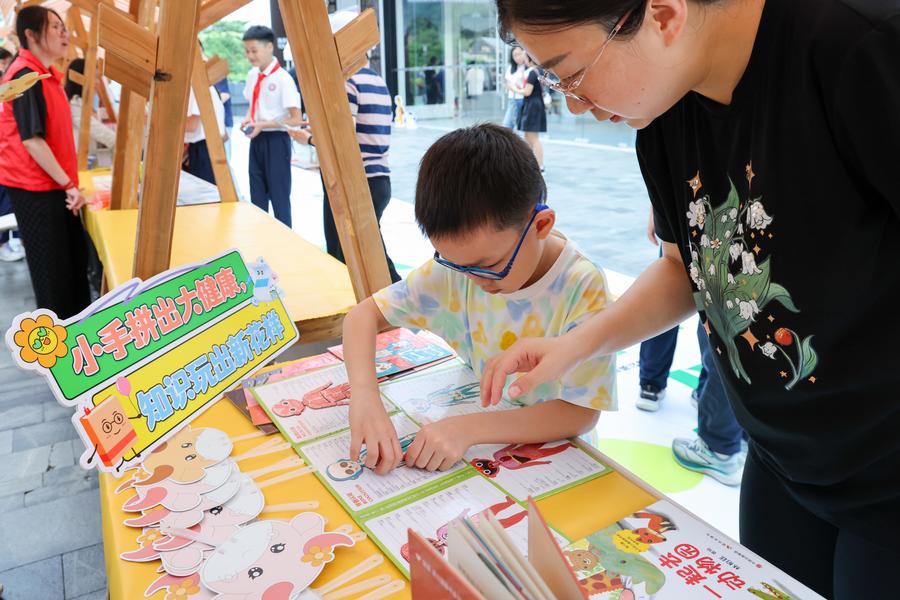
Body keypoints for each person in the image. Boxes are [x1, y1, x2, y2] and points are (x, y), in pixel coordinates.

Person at [482, 1, 900, 596]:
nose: (573, 102)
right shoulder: (666, 114)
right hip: (780, 462)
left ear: (663, 14)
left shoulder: (856, 48)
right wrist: (575, 344)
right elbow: (685, 271)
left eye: (570, 72)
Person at [342, 123, 615, 475]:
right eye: (453, 262)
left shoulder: (580, 284)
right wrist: (364, 396)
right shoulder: (461, 267)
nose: (473, 279)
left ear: (541, 225)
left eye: (489, 266)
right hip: (480, 446)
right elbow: (362, 316)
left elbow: (581, 412)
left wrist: (468, 429)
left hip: (556, 458)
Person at [0, 6, 90, 319]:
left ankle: (82, 346)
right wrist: (68, 184)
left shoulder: (45, 74)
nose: (64, 33)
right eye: (55, 26)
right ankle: (63, 358)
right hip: (36, 190)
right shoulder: (24, 76)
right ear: (31, 34)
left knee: (74, 267)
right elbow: (31, 140)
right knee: (54, 280)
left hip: (54, 186)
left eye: (63, 26)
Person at [289, 58, 401, 283]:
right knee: (370, 255)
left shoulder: (348, 82)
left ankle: (400, 303)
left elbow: (344, 139)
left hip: (355, 181)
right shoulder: (377, 80)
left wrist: (310, 139)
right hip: (378, 178)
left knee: (347, 259)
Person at [241, 25, 302, 227]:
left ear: (269, 47)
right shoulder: (252, 76)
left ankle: (285, 249)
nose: (250, 56)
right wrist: (249, 119)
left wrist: (264, 124)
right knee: (257, 197)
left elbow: (296, 118)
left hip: (276, 141)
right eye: (247, 51)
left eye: (254, 50)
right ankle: (262, 244)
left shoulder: (283, 79)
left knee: (279, 198)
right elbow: (253, 106)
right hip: (257, 140)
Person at [0, 46, 23, 263]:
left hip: (7, 162)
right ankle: (4, 243)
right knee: (5, 204)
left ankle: (10, 240)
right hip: (5, 163)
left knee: (7, 203)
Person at [64, 58, 116, 154]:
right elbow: (97, 130)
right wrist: (120, 142)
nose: (98, 82)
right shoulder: (74, 104)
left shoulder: (80, 103)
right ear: (81, 78)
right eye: (95, 77)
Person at [183, 82, 226, 185]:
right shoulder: (197, 86)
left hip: (204, 149)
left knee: (205, 196)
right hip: (201, 147)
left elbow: (191, 125)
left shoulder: (197, 86)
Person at [516, 53, 545, 170]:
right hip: (536, 104)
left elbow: (527, 92)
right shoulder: (539, 71)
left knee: (533, 138)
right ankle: (529, 165)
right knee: (528, 137)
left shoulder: (533, 72)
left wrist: (513, 88)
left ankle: (540, 166)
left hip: (532, 106)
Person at [502, 47, 526, 129]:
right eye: (514, 55)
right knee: (507, 125)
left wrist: (514, 87)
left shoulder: (528, 67)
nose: (517, 57)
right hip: (513, 99)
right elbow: (506, 83)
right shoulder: (511, 68)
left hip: (525, 99)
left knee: (523, 127)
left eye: (519, 54)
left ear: (524, 53)